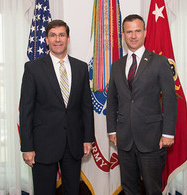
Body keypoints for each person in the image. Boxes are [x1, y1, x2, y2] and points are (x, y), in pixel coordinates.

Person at [19, 19, 94, 195]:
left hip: (73, 143)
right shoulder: (33, 69)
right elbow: (26, 111)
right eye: (53, 35)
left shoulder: (81, 67)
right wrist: (27, 147)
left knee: (72, 191)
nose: (57, 39)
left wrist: (88, 138)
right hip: (43, 145)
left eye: (61, 35)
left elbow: (86, 106)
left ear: (68, 39)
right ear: (46, 40)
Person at [106, 14, 177, 195]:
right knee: (129, 189)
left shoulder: (160, 62)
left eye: (138, 31)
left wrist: (168, 133)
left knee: (153, 189)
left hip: (152, 140)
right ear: (123, 34)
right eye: (129, 32)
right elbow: (112, 100)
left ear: (145, 32)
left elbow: (169, 99)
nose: (133, 35)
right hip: (124, 140)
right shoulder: (116, 65)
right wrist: (112, 130)